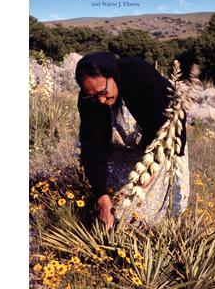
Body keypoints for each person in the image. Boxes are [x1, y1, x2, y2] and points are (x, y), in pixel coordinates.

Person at [75, 51, 189, 228]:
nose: (102, 100)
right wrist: (102, 197)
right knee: (117, 207)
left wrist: (151, 166)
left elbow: (170, 121)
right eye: (93, 95)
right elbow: (93, 149)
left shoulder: (139, 76)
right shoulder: (88, 100)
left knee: (156, 213)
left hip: (162, 145)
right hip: (122, 152)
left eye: (103, 91)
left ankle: (160, 234)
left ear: (112, 75)